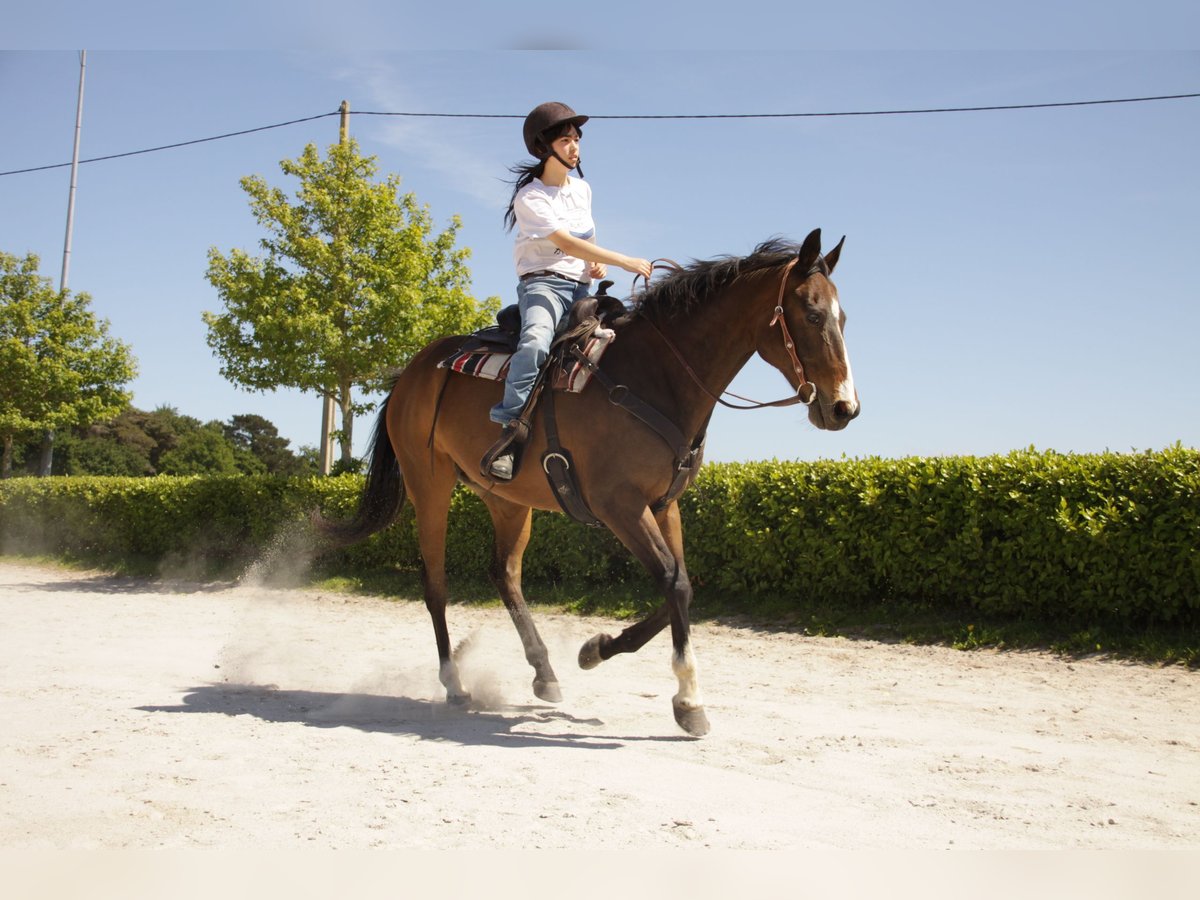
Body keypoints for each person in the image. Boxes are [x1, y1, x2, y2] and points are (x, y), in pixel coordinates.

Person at [487, 101, 652, 480]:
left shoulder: (583, 190)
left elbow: (586, 240)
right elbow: (566, 242)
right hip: (543, 285)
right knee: (535, 342)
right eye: (566, 140)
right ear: (544, 147)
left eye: (577, 139)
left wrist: (598, 265)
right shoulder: (530, 197)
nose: (575, 146)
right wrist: (624, 260)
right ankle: (509, 435)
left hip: (581, 287)